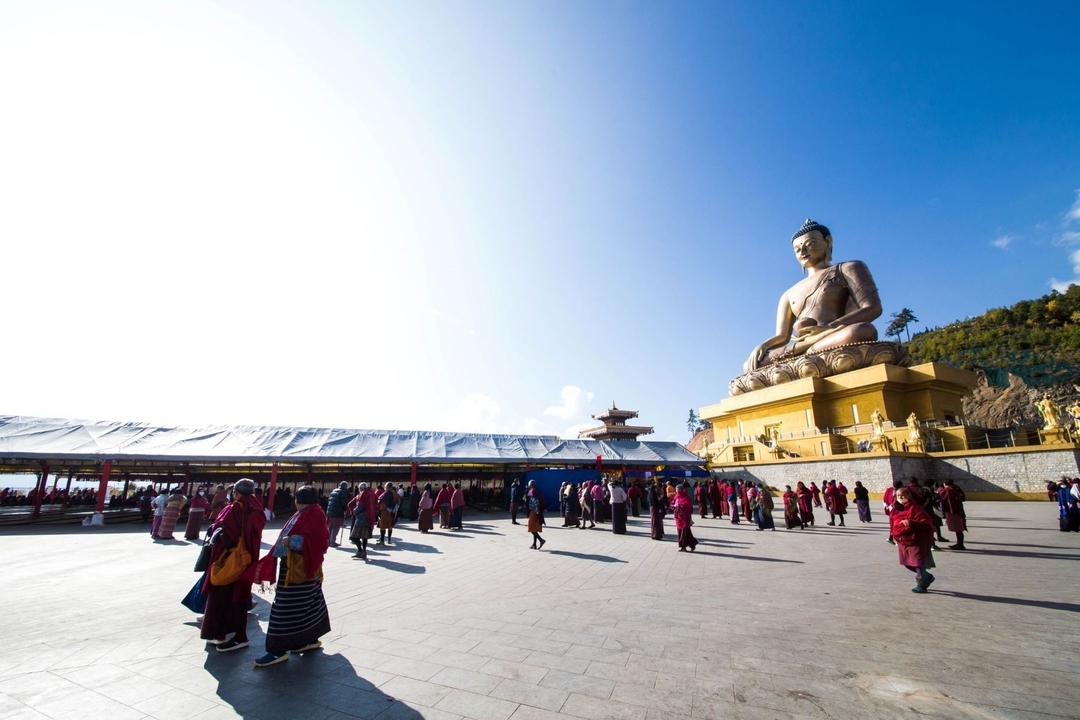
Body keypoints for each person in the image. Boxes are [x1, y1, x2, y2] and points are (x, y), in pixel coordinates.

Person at [743, 218, 882, 372]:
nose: (803, 252)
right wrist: (763, 346)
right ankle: (807, 355)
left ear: (828, 242)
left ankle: (805, 357)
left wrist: (829, 328)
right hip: (804, 345)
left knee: (862, 331)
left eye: (810, 244)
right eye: (797, 249)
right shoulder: (788, 294)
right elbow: (782, 336)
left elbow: (873, 308)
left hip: (834, 337)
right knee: (753, 363)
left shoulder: (848, 268)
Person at [253, 485, 331, 667]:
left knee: (285, 609)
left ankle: (277, 650)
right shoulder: (306, 513)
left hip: (300, 569)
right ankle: (308, 640)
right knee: (309, 604)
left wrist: (293, 541)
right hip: (301, 569)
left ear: (299, 499)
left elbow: (319, 539)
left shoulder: (315, 514)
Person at [201, 478, 266, 651]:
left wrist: (216, 531)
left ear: (236, 492)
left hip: (230, 558)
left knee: (221, 597)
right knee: (238, 597)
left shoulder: (235, 507)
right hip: (247, 558)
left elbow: (226, 533)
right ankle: (234, 634)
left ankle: (225, 634)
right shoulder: (257, 507)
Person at [889, 486, 937, 593]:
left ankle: (921, 585)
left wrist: (911, 523)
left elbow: (927, 523)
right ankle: (927, 577)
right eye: (898, 496)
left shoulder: (916, 508)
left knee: (918, 563)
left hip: (917, 540)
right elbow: (892, 524)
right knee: (908, 563)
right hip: (903, 539)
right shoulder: (895, 510)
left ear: (909, 496)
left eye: (903, 496)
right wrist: (894, 535)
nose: (900, 498)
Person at [347, 482, 377, 559]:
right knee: (364, 537)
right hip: (369, 517)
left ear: (360, 488)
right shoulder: (372, 494)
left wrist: (353, 512)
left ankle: (360, 551)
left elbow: (360, 506)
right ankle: (364, 551)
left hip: (361, 517)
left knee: (354, 536)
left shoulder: (363, 494)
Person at [937, 479, 967, 550]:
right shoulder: (956, 488)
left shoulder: (947, 490)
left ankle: (960, 544)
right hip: (959, 510)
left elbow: (941, 496)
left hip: (952, 510)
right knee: (959, 528)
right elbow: (963, 497)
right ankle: (959, 543)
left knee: (958, 528)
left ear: (945, 483)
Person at [672, 483, 697, 552]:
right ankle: (684, 546)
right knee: (680, 532)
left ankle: (691, 544)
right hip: (678, 517)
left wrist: (681, 505)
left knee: (686, 532)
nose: (678, 491)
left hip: (685, 517)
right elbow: (672, 504)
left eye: (679, 489)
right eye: (677, 490)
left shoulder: (686, 497)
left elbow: (688, 505)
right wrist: (674, 506)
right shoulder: (676, 497)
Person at [325, 481, 350, 547]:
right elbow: (344, 502)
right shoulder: (343, 492)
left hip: (330, 511)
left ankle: (328, 541)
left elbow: (329, 500)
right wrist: (345, 509)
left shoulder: (334, 491)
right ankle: (332, 542)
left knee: (330, 527)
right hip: (337, 511)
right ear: (345, 486)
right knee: (336, 527)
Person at [526, 480, 545, 550]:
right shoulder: (534, 490)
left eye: (529, 484)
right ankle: (534, 544)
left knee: (530, 527)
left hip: (534, 511)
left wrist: (537, 511)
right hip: (535, 511)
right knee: (534, 528)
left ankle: (541, 540)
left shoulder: (532, 491)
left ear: (531, 485)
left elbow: (535, 502)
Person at [884, 478, 902, 544]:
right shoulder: (900, 491)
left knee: (893, 524)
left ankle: (891, 537)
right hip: (898, 510)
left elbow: (885, 499)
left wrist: (888, 506)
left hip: (892, 510)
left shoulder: (890, 490)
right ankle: (896, 539)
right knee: (897, 524)